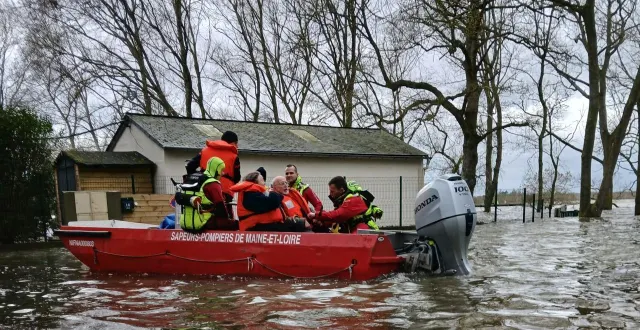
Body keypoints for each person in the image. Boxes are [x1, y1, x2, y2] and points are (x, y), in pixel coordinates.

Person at [230, 172, 309, 232]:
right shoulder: (250, 194)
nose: (264, 183)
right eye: (262, 180)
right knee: (301, 225)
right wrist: (275, 194)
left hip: (270, 224)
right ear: (255, 182)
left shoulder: (253, 192)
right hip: (256, 227)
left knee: (303, 223)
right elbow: (272, 202)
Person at [177, 157, 237, 232]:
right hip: (204, 223)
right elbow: (220, 207)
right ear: (216, 170)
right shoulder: (212, 183)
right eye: (221, 170)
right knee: (237, 224)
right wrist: (228, 221)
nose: (223, 173)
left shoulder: (191, 178)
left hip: (185, 224)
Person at [308, 176, 381, 234]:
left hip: (366, 230)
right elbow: (333, 219)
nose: (330, 194)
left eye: (332, 191)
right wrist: (321, 221)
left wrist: (316, 215)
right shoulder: (343, 201)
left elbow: (338, 215)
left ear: (341, 190)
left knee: (351, 243)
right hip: (357, 230)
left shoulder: (353, 200)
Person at [185, 131, 241, 202]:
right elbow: (237, 178)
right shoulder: (234, 156)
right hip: (224, 192)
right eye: (236, 143)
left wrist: (199, 177)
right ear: (232, 143)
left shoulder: (204, 151)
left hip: (203, 189)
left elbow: (190, 166)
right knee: (223, 211)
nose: (237, 146)